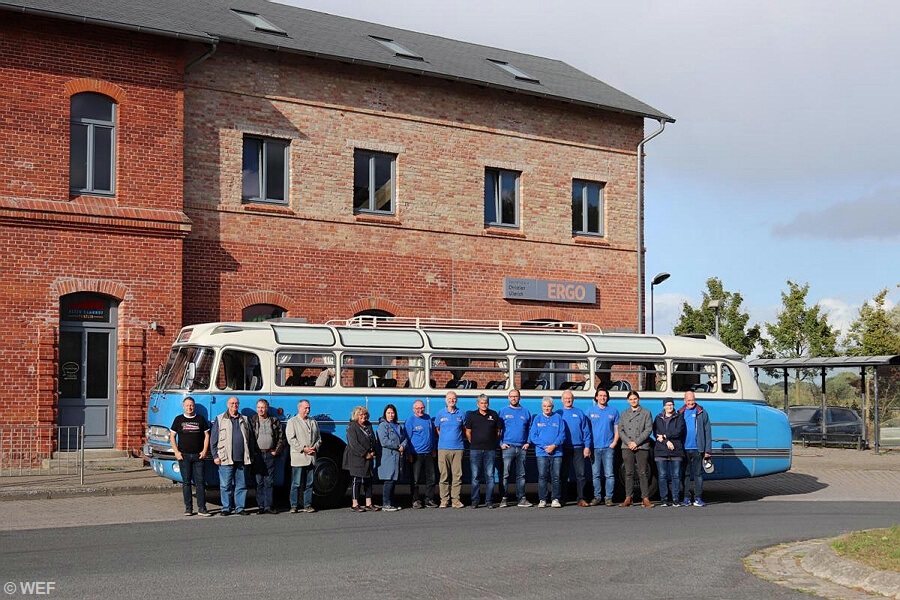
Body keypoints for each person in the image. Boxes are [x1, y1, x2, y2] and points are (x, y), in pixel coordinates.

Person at [211, 396, 253, 515]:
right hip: (225, 458)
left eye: (236, 403)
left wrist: (251, 455)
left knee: (242, 485)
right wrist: (215, 456)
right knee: (225, 485)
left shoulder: (244, 419)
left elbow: (250, 440)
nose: (234, 405)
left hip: (242, 458)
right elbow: (213, 440)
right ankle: (226, 508)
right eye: (232, 403)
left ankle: (240, 508)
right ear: (227, 404)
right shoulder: (220, 419)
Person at [169, 397, 211, 516]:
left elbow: (207, 435)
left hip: (198, 456)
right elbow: (172, 436)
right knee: (186, 482)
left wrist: (204, 451)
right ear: (183, 407)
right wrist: (176, 452)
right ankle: (188, 508)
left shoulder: (200, 419)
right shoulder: (179, 419)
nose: (189, 407)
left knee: (200, 482)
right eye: (187, 405)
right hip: (184, 456)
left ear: (194, 406)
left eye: (191, 405)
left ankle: (202, 508)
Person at [465, 393, 502, 508]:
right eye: (482, 403)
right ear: (478, 404)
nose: (484, 405)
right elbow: (468, 432)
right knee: (475, 477)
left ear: (488, 403)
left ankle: (489, 501)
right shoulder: (472, 415)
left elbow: (498, 431)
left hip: (490, 450)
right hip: (475, 450)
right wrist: (473, 442)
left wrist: (491, 442)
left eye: (486, 403)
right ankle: (475, 501)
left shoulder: (494, 414)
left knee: (490, 476)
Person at [249, 398, 285, 514]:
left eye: (263, 407)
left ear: (267, 408)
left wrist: (277, 451)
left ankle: (268, 506)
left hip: (270, 454)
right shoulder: (252, 420)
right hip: (258, 455)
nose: (261, 410)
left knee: (269, 482)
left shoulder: (274, 421)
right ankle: (260, 506)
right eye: (259, 407)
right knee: (259, 482)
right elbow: (248, 438)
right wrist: (252, 452)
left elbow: (281, 438)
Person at [618, 390, 653, 508]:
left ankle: (645, 498)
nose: (633, 401)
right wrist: (629, 442)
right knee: (628, 472)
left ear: (639, 399)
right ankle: (628, 497)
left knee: (643, 472)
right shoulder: (623, 414)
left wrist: (636, 442)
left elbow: (648, 430)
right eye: (631, 399)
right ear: (628, 401)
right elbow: (620, 430)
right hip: (627, 446)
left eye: (635, 399)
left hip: (641, 446)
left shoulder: (646, 413)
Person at [498, 388, 532, 507]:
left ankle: (521, 498)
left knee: (521, 475)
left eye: (516, 396)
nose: (513, 398)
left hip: (522, 448)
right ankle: (503, 498)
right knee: (505, 475)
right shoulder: (503, 411)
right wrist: (500, 443)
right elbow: (497, 429)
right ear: (508, 398)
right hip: (507, 447)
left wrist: (528, 442)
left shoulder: (526, 412)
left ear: (519, 397)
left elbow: (530, 429)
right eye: (511, 396)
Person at [528, 396, 565, 508]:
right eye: (544, 406)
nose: (547, 408)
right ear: (541, 407)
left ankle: (555, 499)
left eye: (549, 406)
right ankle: (542, 499)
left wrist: (554, 445)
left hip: (556, 453)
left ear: (552, 407)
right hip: (542, 453)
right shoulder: (537, 418)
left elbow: (562, 435)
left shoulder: (558, 418)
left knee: (556, 477)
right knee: (543, 476)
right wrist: (545, 446)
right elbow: (533, 436)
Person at [285, 399, 320, 513]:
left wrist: (315, 447)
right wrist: (303, 449)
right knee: (296, 483)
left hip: (311, 457)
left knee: (309, 483)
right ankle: (294, 506)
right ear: (299, 408)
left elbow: (319, 438)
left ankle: (307, 505)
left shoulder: (313, 422)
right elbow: (291, 438)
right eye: (305, 408)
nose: (308, 410)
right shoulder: (292, 422)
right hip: (299, 457)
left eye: (309, 408)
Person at [558, 389, 592, 507]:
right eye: (566, 398)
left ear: (573, 399)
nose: (568, 400)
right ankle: (562, 498)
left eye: (570, 398)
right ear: (562, 400)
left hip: (578, 447)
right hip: (563, 448)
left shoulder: (579, 413)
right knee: (563, 474)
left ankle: (581, 498)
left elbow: (586, 431)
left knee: (581, 475)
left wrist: (587, 446)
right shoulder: (558, 413)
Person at [678, 390, 712, 507]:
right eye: (688, 400)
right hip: (684, 448)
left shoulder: (702, 412)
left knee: (698, 475)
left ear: (695, 400)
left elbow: (708, 432)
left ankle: (698, 498)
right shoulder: (680, 413)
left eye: (692, 400)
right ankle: (686, 498)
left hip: (698, 449)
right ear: (684, 401)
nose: (690, 403)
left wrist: (708, 450)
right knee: (685, 474)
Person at [343, 406, 379, 512]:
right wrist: (364, 453)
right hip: (356, 457)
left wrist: (373, 451)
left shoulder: (368, 425)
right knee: (356, 480)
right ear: (356, 416)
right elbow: (354, 444)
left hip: (369, 457)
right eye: (361, 414)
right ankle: (355, 504)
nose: (363, 416)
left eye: (365, 414)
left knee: (368, 480)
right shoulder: (352, 427)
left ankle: (369, 503)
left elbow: (373, 439)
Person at [587, 388, 619, 506]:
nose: (602, 398)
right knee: (595, 474)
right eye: (600, 395)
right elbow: (587, 430)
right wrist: (588, 445)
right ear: (596, 397)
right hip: (594, 447)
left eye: (604, 395)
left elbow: (617, 429)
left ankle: (609, 498)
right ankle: (597, 496)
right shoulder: (590, 411)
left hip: (608, 448)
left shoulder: (613, 411)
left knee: (609, 474)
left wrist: (614, 443)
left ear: (607, 397)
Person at [435, 391, 466, 508]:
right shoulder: (440, 414)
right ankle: (444, 500)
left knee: (457, 476)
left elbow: (464, 429)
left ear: (456, 400)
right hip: (443, 448)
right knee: (444, 475)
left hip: (458, 448)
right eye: (449, 398)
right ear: (445, 400)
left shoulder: (461, 414)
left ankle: (456, 500)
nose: (451, 400)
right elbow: (437, 429)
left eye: (454, 398)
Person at [403, 399, 437, 508]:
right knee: (415, 479)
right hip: (415, 454)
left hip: (428, 453)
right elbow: (406, 438)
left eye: (422, 408)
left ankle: (429, 499)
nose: (420, 410)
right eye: (417, 408)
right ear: (413, 409)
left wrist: (433, 449)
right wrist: (408, 453)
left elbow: (432, 435)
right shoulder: (410, 420)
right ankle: (415, 500)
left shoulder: (427, 419)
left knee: (431, 478)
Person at [654, 398, 685, 506]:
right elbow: (657, 434)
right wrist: (667, 442)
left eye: (671, 404)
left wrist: (665, 436)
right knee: (662, 476)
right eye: (667, 405)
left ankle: (676, 499)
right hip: (661, 450)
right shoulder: (658, 418)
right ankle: (664, 499)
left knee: (676, 475)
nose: (669, 407)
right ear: (664, 406)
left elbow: (679, 431)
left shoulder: (679, 417)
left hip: (676, 450)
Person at [377, 404, 407, 512]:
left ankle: (391, 503)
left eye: (392, 413)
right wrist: (397, 446)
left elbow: (404, 438)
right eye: (389, 413)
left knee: (394, 480)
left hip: (397, 456)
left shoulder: (398, 426)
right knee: (388, 480)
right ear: (385, 414)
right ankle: (386, 504)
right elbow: (384, 441)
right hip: (388, 456)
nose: (391, 415)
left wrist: (403, 445)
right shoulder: (382, 426)